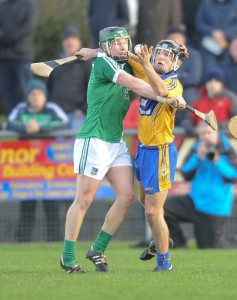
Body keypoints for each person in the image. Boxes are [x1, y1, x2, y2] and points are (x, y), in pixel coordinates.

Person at [59, 27, 185, 274]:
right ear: (105, 47)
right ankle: (68, 257)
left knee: (127, 197)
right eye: (114, 43)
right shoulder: (106, 64)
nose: (121, 45)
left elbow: (142, 58)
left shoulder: (126, 62)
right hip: (94, 139)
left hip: (116, 142)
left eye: (123, 41)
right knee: (83, 200)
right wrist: (168, 97)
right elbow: (136, 84)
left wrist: (172, 81)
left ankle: (97, 248)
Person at [130, 42, 187, 271]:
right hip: (143, 149)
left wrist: (145, 64)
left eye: (167, 55)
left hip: (161, 151)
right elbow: (124, 54)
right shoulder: (147, 70)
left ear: (176, 63)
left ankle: (164, 262)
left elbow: (162, 92)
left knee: (153, 211)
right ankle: (161, 238)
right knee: (145, 203)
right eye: (159, 53)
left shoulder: (174, 83)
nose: (161, 57)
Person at [7, 78, 69, 242]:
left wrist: (41, 128)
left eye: (39, 94)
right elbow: (9, 124)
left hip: (49, 166)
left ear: (44, 96)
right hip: (27, 167)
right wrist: (24, 128)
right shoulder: (21, 109)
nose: (36, 98)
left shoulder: (52, 109)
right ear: (28, 97)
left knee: (52, 205)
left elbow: (65, 124)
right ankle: (23, 240)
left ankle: (55, 240)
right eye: (33, 94)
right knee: (27, 204)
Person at [164, 122, 237, 248]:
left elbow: (233, 176)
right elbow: (186, 173)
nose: (205, 136)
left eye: (209, 132)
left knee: (209, 247)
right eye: (202, 133)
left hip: (214, 207)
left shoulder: (227, 150)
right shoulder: (196, 149)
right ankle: (178, 242)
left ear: (217, 133)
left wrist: (217, 161)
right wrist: (197, 157)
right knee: (163, 208)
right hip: (193, 201)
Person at [47, 26, 90, 130]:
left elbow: (93, 89)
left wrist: (83, 110)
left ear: (79, 41)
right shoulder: (54, 62)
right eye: (66, 38)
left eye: (73, 38)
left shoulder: (86, 63)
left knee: (75, 144)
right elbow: (48, 87)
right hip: (56, 114)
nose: (70, 41)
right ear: (63, 42)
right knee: (53, 145)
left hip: (77, 115)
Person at [0, 0, 39, 115]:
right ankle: (13, 119)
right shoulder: (2, 7)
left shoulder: (29, 5)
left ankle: (29, 118)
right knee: (8, 92)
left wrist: (9, 37)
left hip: (22, 57)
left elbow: (29, 26)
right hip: (4, 57)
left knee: (25, 90)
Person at [195, 0, 237, 76]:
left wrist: (225, 33)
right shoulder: (206, 3)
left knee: (227, 73)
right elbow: (199, 23)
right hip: (208, 45)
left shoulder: (234, 4)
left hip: (228, 45)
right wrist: (212, 32)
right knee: (209, 72)